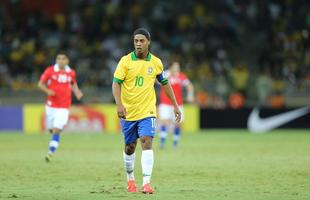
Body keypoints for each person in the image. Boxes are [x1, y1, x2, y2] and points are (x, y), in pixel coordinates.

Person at [112, 28, 181, 194]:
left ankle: (146, 183)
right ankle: (130, 179)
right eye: (136, 41)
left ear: (148, 42)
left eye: (142, 41)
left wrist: (175, 105)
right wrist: (119, 104)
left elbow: (165, 83)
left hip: (147, 111)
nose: (138, 44)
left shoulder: (156, 62)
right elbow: (116, 83)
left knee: (146, 140)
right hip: (128, 112)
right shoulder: (125, 61)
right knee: (130, 147)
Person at [38, 51, 83, 162]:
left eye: (63, 59)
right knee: (51, 129)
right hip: (51, 106)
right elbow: (40, 84)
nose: (61, 61)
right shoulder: (50, 71)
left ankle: (50, 152)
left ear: (67, 61)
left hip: (64, 106)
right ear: (56, 60)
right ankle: (53, 137)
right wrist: (48, 91)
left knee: (57, 129)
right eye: (59, 58)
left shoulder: (71, 72)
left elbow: (73, 83)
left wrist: (77, 92)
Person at [158, 62, 194, 149]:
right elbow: (157, 81)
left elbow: (190, 86)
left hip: (178, 104)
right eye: (175, 66)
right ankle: (162, 142)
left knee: (178, 124)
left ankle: (175, 143)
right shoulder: (166, 74)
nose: (176, 68)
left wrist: (190, 95)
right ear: (171, 67)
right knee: (164, 122)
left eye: (178, 67)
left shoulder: (181, 76)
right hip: (165, 103)